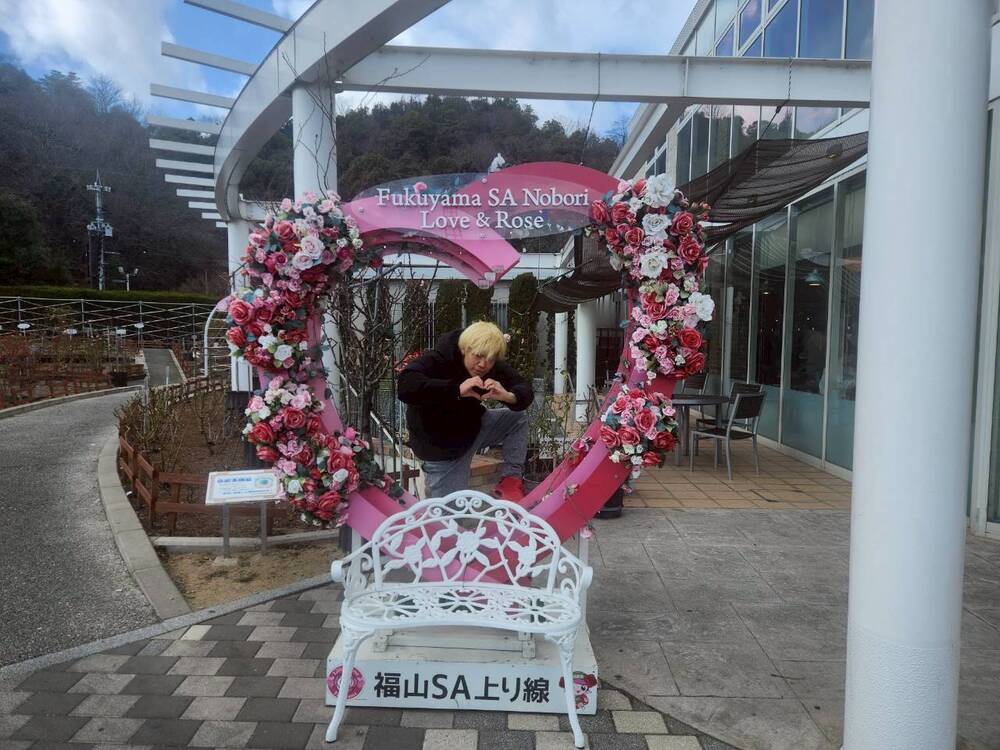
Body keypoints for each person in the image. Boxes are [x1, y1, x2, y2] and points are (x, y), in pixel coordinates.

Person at [398, 321, 533, 501]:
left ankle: (510, 481)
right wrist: (456, 389)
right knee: (450, 512)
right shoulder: (438, 359)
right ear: (465, 349)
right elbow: (405, 386)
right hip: (442, 448)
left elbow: (524, 388)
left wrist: (509, 396)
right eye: (478, 356)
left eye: (491, 360)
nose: (483, 364)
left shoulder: (490, 363)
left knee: (516, 419)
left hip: (474, 426)